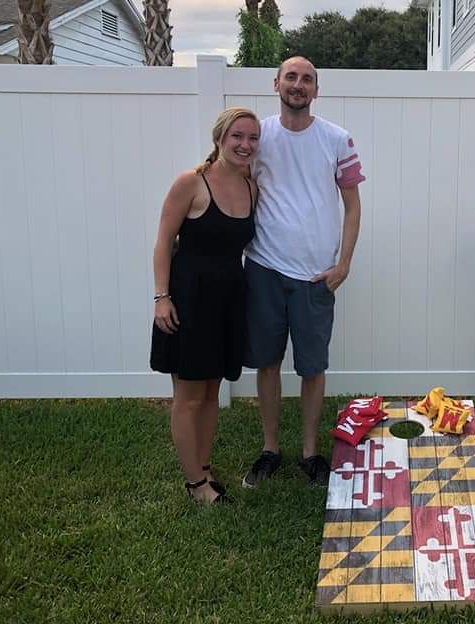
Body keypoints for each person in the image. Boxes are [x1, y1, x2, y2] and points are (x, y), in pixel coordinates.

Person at [241, 56, 365, 487]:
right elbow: (235, 185)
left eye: (307, 79)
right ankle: (270, 449)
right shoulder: (258, 137)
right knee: (268, 363)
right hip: (264, 268)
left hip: (315, 276)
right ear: (275, 83)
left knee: (312, 368)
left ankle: (311, 454)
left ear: (316, 89)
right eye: (291, 77)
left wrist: (343, 264)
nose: (298, 84)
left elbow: (352, 207)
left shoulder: (336, 138)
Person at [150, 107, 260, 504]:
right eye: (237, 136)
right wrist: (161, 298)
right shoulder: (191, 183)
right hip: (189, 299)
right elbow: (164, 242)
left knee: (212, 391)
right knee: (189, 395)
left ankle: (203, 466)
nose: (245, 144)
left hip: (229, 299)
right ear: (219, 138)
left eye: (252, 138)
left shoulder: (251, 188)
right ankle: (195, 484)